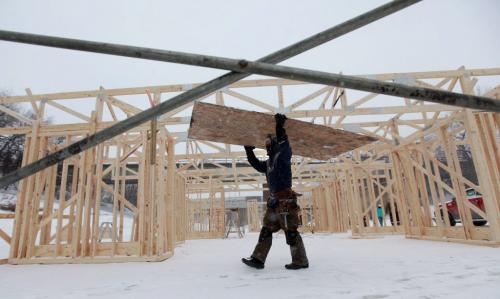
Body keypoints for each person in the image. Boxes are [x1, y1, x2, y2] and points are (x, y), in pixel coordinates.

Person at [241, 113, 309, 270]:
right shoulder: (269, 162)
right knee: (266, 230)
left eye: (268, 141)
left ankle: (300, 261)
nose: (266, 145)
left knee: (291, 232)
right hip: (274, 203)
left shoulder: (282, 156)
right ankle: (258, 259)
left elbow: (285, 144)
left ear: (274, 142)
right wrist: (249, 151)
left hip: (286, 202)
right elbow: (256, 165)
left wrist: (279, 126)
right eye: (265, 143)